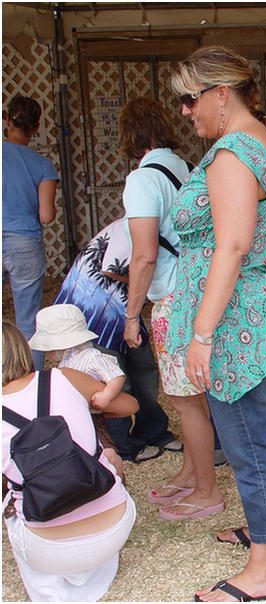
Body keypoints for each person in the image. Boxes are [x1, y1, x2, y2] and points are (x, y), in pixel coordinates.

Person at [168, 45, 266, 602]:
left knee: (249, 437)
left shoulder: (232, 153)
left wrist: (200, 335)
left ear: (219, 94)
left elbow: (231, 245)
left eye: (188, 98)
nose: (184, 111)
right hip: (260, 313)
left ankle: (261, 572)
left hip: (237, 321)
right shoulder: (263, 144)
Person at [117, 96, 223, 517]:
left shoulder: (143, 180)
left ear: (129, 135)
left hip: (173, 298)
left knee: (184, 398)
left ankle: (206, 490)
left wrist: (131, 314)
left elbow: (143, 256)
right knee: (194, 395)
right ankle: (190, 472)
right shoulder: (184, 167)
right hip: (200, 287)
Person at [2, 321, 138, 602]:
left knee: (13, 502)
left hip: (49, 551)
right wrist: (89, 405)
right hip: (115, 529)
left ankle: (52, 589)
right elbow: (129, 406)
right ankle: (89, 569)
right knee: (106, 456)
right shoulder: (65, 377)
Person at [54, 218, 181, 463]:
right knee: (112, 375)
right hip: (96, 307)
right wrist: (152, 284)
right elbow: (112, 268)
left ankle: (153, 430)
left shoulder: (159, 226)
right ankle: (122, 444)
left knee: (144, 368)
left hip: (124, 306)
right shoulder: (136, 224)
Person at [2, 95, 60, 371]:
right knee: (28, 322)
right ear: (36, 128)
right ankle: (30, 384)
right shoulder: (42, 165)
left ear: (7, 120)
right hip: (24, 242)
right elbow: (46, 216)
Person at [28, 303, 126, 453]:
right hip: (77, 412)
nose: (46, 354)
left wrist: (106, 395)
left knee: (101, 444)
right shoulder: (66, 361)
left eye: (48, 350)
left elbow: (116, 375)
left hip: (94, 414)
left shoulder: (91, 357)